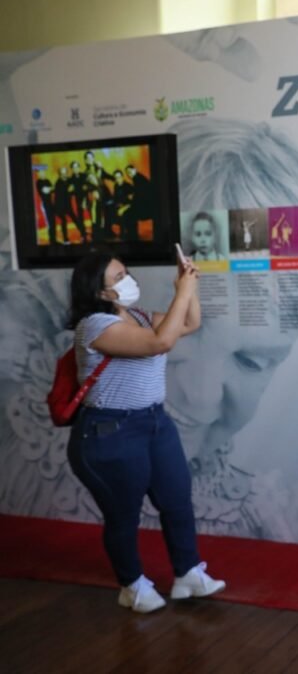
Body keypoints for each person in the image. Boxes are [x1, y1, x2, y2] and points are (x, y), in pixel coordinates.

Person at [65, 252, 225, 613]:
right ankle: (132, 584)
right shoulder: (95, 326)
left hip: (154, 423)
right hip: (110, 431)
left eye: (126, 272)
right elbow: (160, 343)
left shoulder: (137, 316)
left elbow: (189, 323)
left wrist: (187, 286)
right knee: (124, 514)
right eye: (118, 277)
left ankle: (188, 573)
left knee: (176, 500)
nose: (128, 280)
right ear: (100, 292)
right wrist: (182, 291)